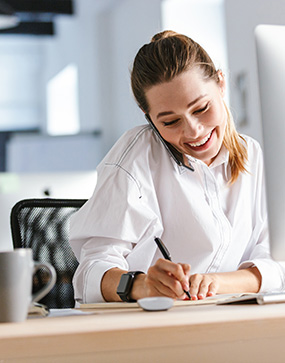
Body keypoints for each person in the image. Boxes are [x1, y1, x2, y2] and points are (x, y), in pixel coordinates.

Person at [69, 30, 285, 304]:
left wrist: (216, 283)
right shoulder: (137, 158)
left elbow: (277, 261)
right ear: (148, 117)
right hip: (152, 327)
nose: (194, 131)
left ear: (221, 84)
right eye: (170, 122)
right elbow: (89, 274)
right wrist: (142, 285)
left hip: (228, 318)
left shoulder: (252, 155)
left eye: (201, 108)